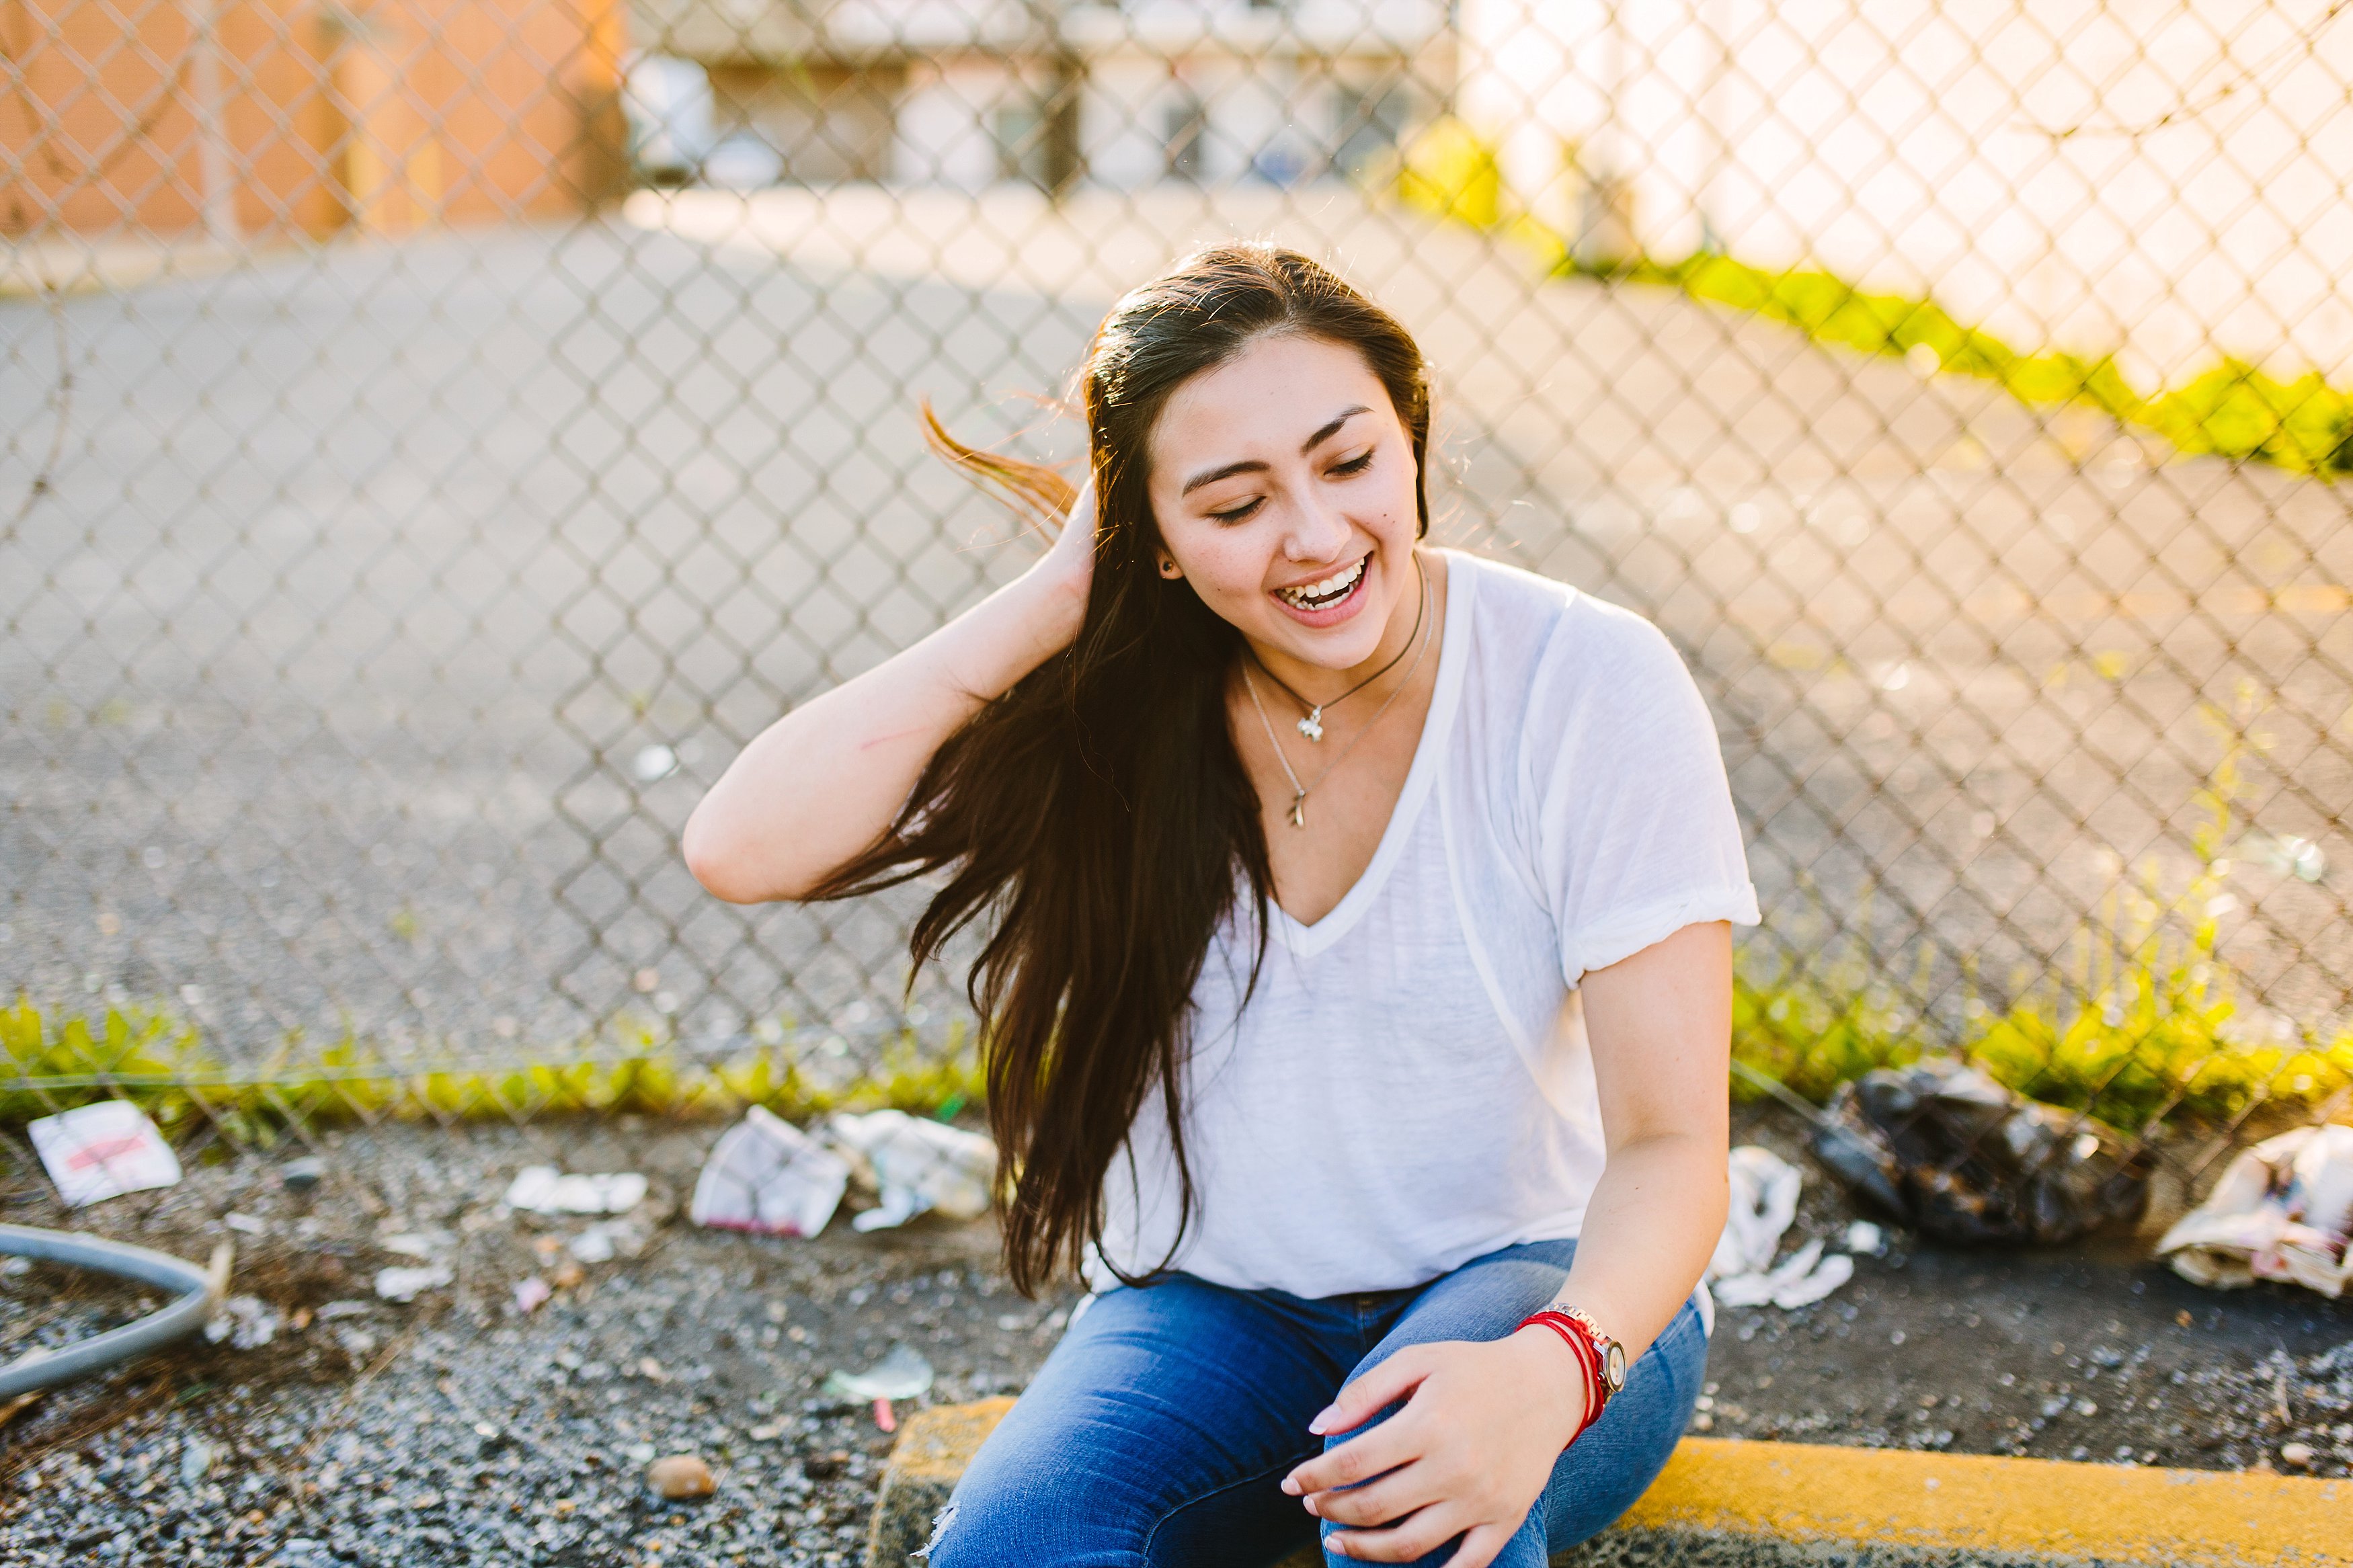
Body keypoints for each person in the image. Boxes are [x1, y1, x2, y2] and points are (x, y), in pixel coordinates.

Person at [684, 245, 1757, 1568]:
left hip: (1544, 1286)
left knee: (1402, 1535)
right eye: (1234, 503)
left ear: (1410, 441)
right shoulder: (1115, 699)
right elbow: (739, 845)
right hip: (1211, 1315)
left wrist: (1552, 1371)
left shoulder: (1583, 681)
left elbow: (1668, 1147)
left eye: (1349, 461)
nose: (1314, 535)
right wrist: (1054, 600)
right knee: (1014, 1550)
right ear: (1159, 542)